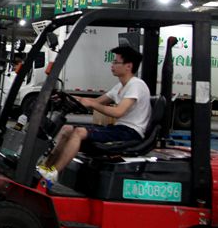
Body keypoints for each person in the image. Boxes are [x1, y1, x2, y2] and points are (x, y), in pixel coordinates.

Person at [38, 45, 152, 181]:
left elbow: (118, 112)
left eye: (116, 62)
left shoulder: (136, 85)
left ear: (128, 66)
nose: (112, 65)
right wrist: (67, 97)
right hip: (120, 129)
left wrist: (92, 104)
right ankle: (45, 169)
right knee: (67, 128)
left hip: (130, 133)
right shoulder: (120, 86)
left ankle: (53, 174)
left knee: (79, 132)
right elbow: (96, 101)